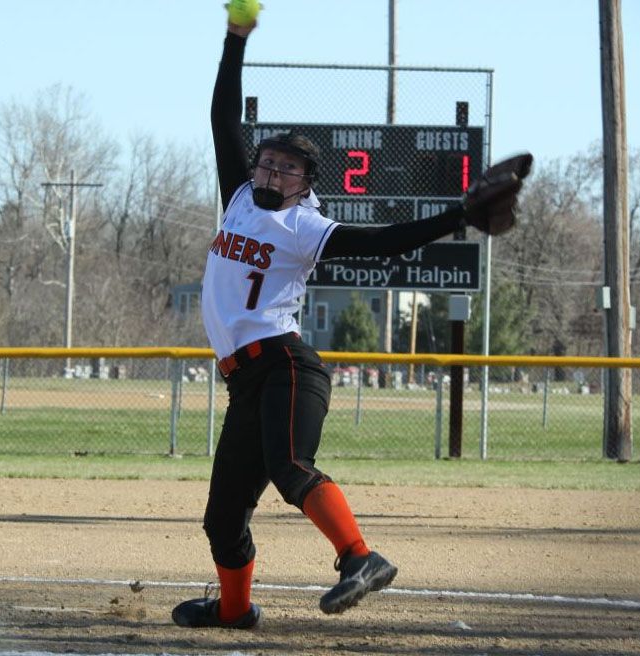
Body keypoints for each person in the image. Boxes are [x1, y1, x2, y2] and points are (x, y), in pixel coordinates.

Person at [171, 16, 478, 630]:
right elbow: (221, 118)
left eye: (286, 169)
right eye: (266, 163)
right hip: (245, 383)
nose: (269, 173)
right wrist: (236, 38)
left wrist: (460, 213)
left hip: (285, 366)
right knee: (222, 517)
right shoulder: (238, 197)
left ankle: (362, 558)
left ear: (307, 184)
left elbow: (387, 242)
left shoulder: (305, 227)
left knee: (291, 468)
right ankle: (235, 612)